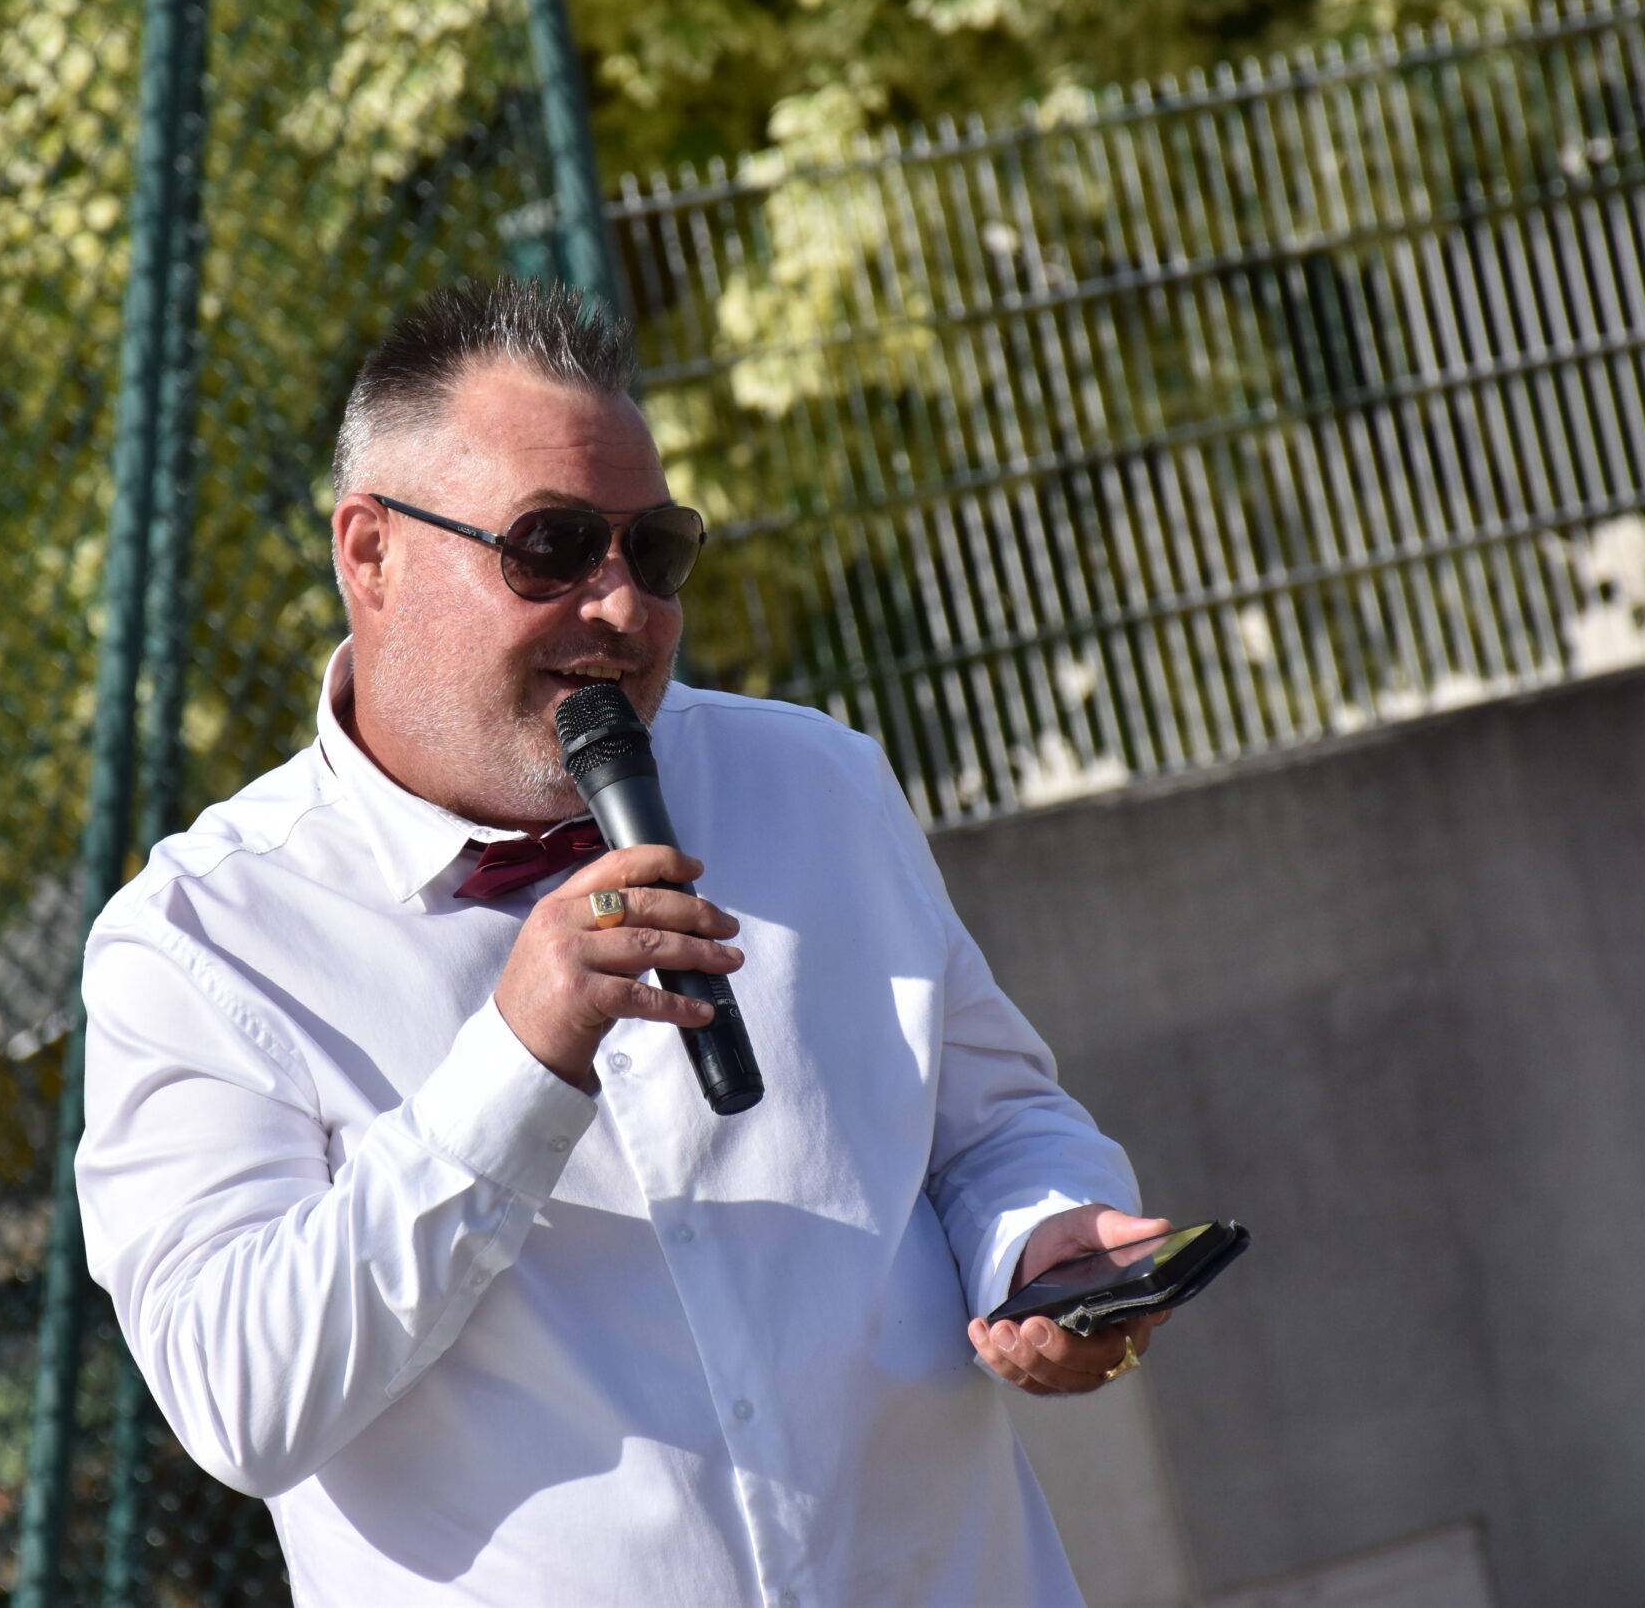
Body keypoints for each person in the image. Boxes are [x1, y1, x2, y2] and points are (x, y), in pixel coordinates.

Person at [76, 278, 1170, 1606]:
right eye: (550, 547)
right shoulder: (202, 943)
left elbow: (995, 1132)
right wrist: (517, 1064)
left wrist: (1043, 1247)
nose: (622, 607)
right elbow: (239, 1397)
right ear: (370, 553)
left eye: (653, 552)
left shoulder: (816, 784)